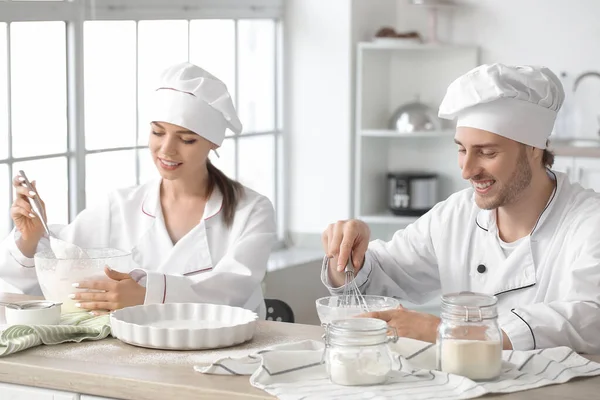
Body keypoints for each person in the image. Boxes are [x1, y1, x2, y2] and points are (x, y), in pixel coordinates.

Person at [321, 63, 600, 353]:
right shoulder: (456, 215)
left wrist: (451, 333)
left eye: (487, 152)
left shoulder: (589, 222)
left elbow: (588, 317)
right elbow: (378, 279)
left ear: (534, 149)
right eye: (462, 150)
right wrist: (349, 253)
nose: (467, 171)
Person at [0, 62, 277, 318]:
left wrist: (147, 296)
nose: (167, 150)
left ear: (213, 143)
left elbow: (231, 292)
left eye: (187, 140)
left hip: (226, 354)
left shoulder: (251, 211)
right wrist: (30, 238)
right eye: (158, 133)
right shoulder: (119, 206)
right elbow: (58, 267)